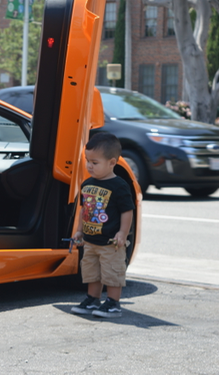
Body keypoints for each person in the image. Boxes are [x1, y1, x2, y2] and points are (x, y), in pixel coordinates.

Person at [70, 132, 135, 318]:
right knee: (92, 271)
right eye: (87, 161)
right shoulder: (87, 184)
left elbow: (127, 210)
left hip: (110, 242)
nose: (89, 166)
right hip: (91, 241)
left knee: (112, 272)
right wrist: (79, 231)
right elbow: (85, 211)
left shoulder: (119, 185)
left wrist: (123, 232)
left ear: (112, 163)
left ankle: (113, 304)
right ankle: (93, 299)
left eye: (95, 162)